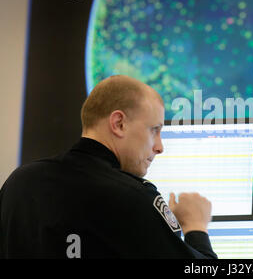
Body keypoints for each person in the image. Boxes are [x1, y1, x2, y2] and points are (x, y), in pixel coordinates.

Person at [0, 75, 217, 259]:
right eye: (154, 130)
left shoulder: (19, 182)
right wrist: (195, 227)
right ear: (119, 124)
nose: (159, 147)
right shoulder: (131, 197)